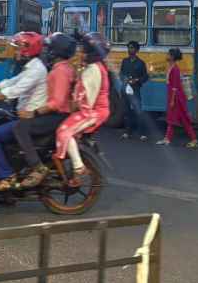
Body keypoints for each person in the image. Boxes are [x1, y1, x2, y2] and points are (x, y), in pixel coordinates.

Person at [0, 32, 47, 192]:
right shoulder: (31, 67)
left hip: (29, 118)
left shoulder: (36, 70)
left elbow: (14, 91)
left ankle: (7, 177)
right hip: (22, 114)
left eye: (18, 48)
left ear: (28, 49)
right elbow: (12, 81)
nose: (15, 52)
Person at [12, 33, 76, 189]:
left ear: (56, 51)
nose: (45, 51)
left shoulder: (60, 71)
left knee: (20, 128)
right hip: (58, 114)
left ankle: (37, 167)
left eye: (48, 48)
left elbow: (57, 102)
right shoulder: (62, 67)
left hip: (57, 116)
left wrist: (33, 113)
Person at [54, 33, 111, 187]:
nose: (81, 53)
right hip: (93, 110)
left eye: (84, 50)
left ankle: (79, 167)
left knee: (64, 132)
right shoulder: (95, 67)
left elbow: (86, 100)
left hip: (91, 112)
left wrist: (71, 105)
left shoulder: (93, 70)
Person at [156, 47, 198, 148]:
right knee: (174, 119)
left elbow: (175, 86)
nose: (167, 56)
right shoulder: (172, 67)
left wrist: (172, 100)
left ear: (172, 57)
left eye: (169, 54)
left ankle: (193, 139)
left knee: (180, 120)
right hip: (175, 97)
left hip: (176, 98)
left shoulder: (175, 69)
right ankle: (168, 139)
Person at [120, 40, 149, 141]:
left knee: (139, 111)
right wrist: (124, 79)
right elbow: (121, 74)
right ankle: (127, 132)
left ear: (136, 50)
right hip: (125, 89)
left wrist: (137, 80)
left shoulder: (141, 63)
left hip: (135, 89)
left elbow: (145, 77)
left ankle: (142, 134)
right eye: (129, 47)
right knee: (126, 111)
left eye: (132, 48)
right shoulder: (125, 61)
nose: (129, 50)